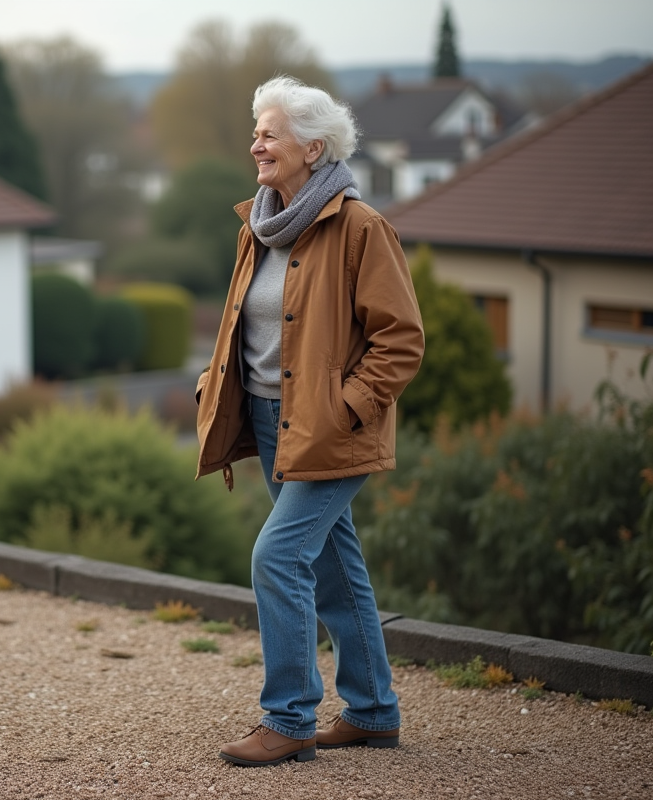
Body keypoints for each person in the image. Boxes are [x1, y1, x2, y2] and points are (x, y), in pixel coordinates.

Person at [194, 76, 424, 767]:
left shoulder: (360, 228)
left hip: (330, 427)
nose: (256, 143)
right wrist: (216, 383)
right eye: (257, 132)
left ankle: (289, 719)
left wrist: (346, 408)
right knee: (328, 563)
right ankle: (375, 711)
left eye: (270, 133)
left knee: (278, 555)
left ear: (312, 147)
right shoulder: (260, 224)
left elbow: (401, 340)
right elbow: (246, 322)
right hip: (269, 419)